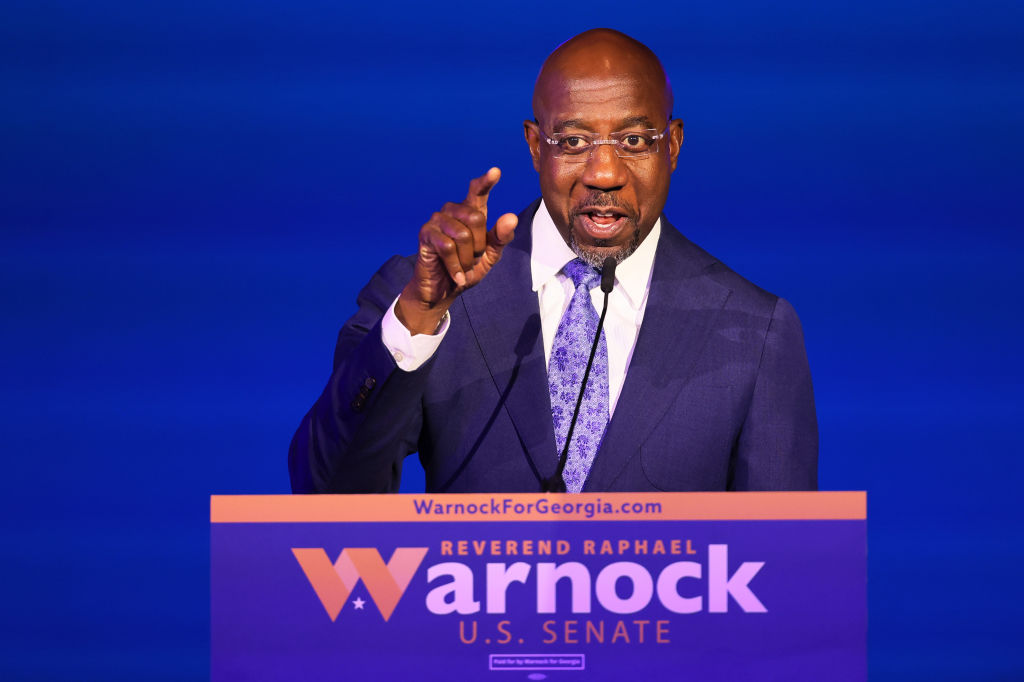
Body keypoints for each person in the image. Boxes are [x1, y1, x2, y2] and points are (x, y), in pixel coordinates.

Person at [289, 29, 818, 494]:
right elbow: (327, 493)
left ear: (672, 146)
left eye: (634, 140)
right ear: (534, 145)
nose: (604, 172)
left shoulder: (757, 332)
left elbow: (786, 570)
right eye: (573, 141)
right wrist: (419, 318)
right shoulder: (429, 295)